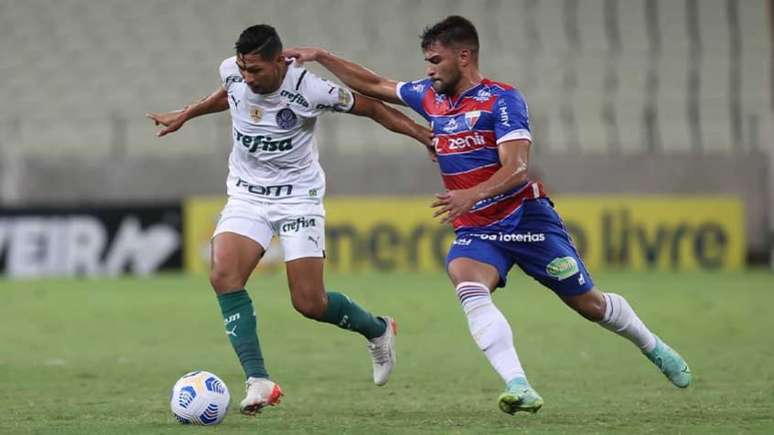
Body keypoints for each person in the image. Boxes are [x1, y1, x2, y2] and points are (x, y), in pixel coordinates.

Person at [284, 15, 692, 415]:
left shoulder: (502, 100)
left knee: (590, 305)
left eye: (435, 60)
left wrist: (469, 195)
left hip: (526, 219)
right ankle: (519, 384)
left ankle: (652, 346)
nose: (428, 70)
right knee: (465, 278)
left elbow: (517, 169)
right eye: (426, 61)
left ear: (464, 56)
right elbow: (373, 85)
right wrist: (321, 55)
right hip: (478, 229)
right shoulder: (430, 96)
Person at [146, 24, 433, 416]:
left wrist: (421, 133)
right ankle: (259, 380)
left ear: (280, 62)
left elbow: (372, 107)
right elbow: (228, 94)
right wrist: (187, 113)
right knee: (223, 275)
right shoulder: (232, 71)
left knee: (309, 303)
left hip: (299, 198)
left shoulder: (312, 89)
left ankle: (378, 329)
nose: (248, 78)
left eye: (257, 71)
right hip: (247, 194)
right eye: (244, 70)